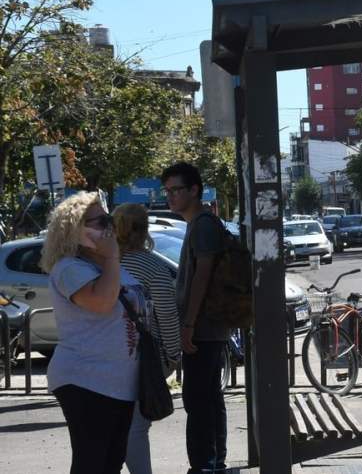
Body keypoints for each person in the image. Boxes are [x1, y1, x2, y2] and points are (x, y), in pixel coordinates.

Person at [40, 191, 145, 474]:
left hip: (119, 382)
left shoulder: (109, 265)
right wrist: (111, 257)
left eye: (109, 219)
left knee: (111, 461)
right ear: (75, 231)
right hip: (85, 380)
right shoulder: (69, 268)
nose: (109, 228)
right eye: (100, 223)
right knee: (92, 462)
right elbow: (101, 302)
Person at [161, 162, 229, 474]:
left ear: (194, 190)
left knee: (198, 400)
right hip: (207, 327)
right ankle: (212, 462)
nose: (170, 196)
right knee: (208, 397)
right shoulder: (199, 223)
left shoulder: (202, 225)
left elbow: (202, 274)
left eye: (176, 190)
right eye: (167, 191)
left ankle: (204, 464)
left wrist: (188, 324)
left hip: (203, 328)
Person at [113, 203, 182, 474]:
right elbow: (166, 316)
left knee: (112, 424)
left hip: (104, 355)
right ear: (144, 230)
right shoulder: (153, 266)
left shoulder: (103, 263)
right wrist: (173, 356)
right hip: (140, 356)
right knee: (137, 426)